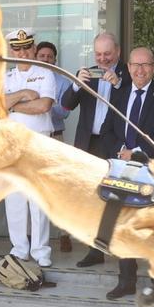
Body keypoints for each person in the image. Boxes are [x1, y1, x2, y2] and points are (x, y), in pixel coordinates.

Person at [99, 47, 154, 299]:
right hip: (123, 170)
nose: (140, 70)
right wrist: (122, 150)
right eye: (135, 65)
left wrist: (137, 152)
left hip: (152, 170)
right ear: (128, 66)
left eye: (145, 65)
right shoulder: (119, 94)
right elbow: (106, 130)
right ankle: (126, 280)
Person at [62, 32, 127, 268]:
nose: (103, 59)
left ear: (117, 52)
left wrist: (118, 84)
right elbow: (66, 105)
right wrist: (76, 84)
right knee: (91, 198)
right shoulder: (87, 73)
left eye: (107, 54)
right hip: (89, 143)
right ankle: (94, 251)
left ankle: (120, 248)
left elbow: (133, 102)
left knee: (118, 198)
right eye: (98, 54)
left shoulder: (129, 74)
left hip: (115, 144)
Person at [3, 29, 56, 268]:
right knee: (14, 199)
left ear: (33, 49)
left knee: (38, 200)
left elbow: (44, 106)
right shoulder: (5, 77)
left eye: (26, 47)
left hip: (38, 143)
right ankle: (19, 248)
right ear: (11, 51)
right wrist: (23, 94)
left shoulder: (46, 74)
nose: (22, 53)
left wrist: (12, 105)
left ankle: (41, 250)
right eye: (17, 48)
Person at [36, 40, 74, 253]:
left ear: (55, 59)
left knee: (60, 188)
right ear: (36, 57)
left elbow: (65, 111)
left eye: (50, 56)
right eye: (42, 56)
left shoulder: (63, 82)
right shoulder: (28, 79)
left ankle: (63, 234)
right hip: (33, 139)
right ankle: (32, 235)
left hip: (54, 137)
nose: (46, 59)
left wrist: (43, 105)